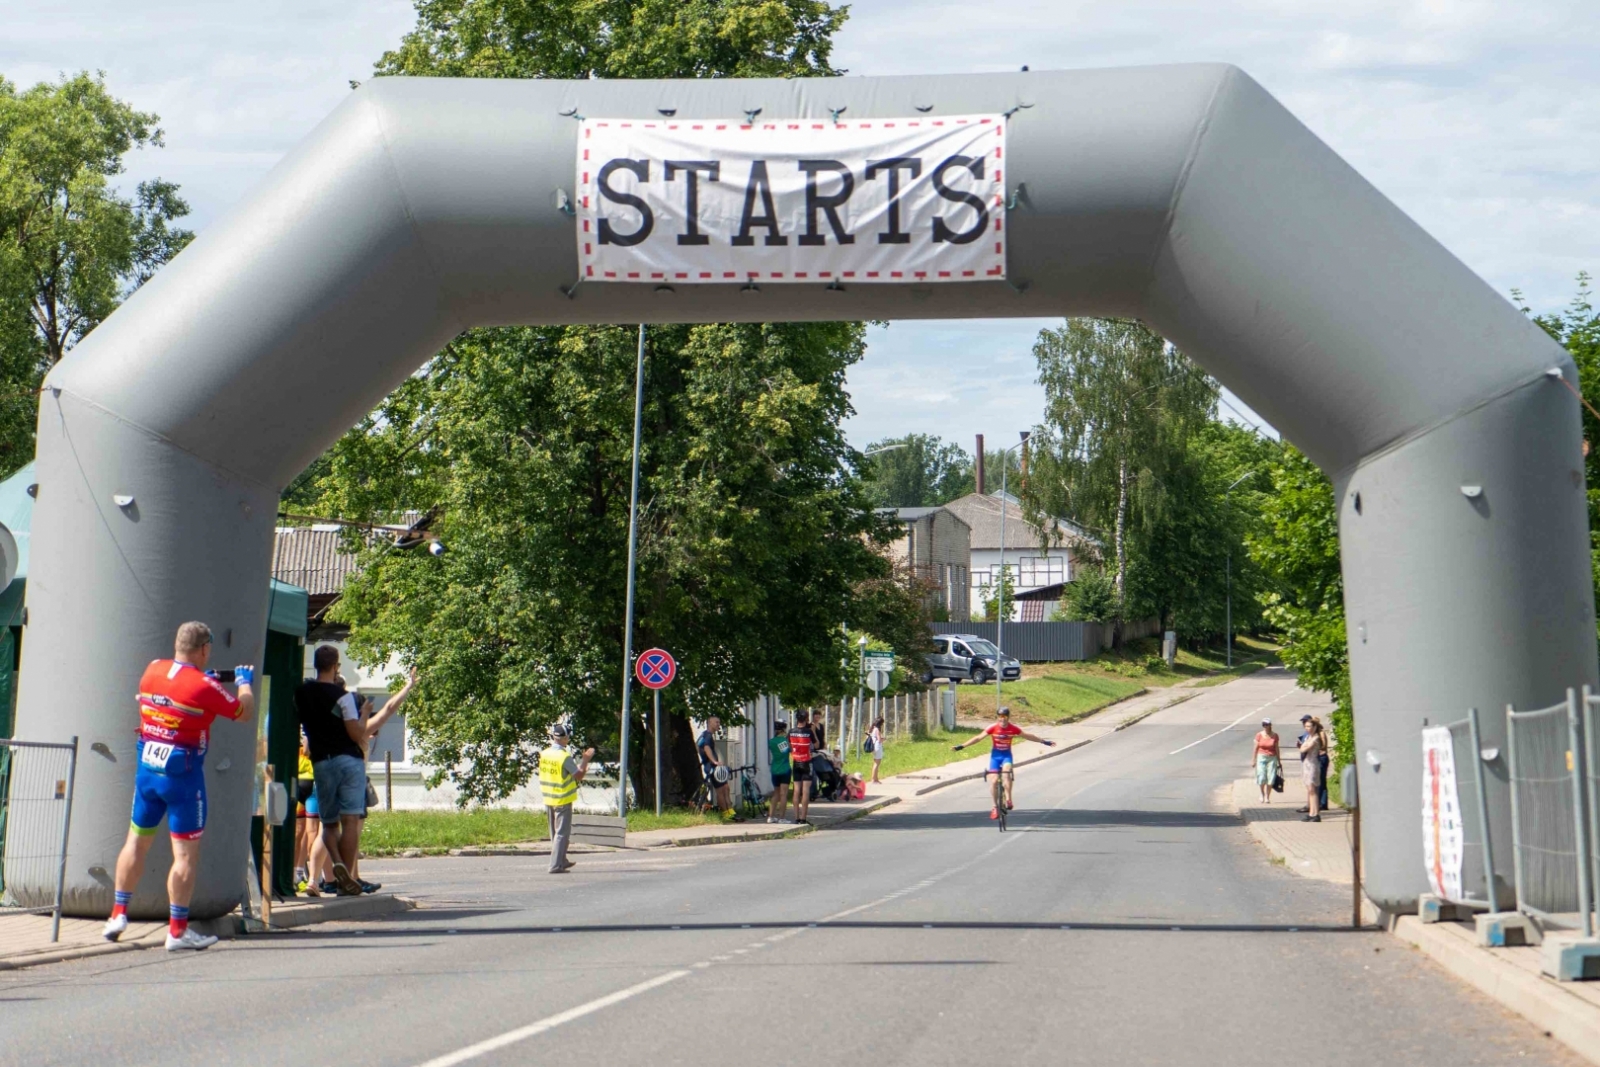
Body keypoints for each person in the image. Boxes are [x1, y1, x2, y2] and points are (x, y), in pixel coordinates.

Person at [102, 621, 254, 951]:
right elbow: (243, 713)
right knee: (185, 856)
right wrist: (244, 684)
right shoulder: (204, 686)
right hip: (183, 778)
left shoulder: (153, 669)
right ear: (204, 650)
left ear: (176, 644)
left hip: (147, 773)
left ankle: (118, 914)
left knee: (135, 843)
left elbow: (169, 697)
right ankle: (177, 931)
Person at [296, 645, 371, 896]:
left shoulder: (303, 693)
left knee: (328, 825)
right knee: (350, 820)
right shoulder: (343, 696)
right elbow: (355, 733)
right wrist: (365, 716)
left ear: (316, 665)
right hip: (348, 761)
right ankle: (344, 879)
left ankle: (337, 863)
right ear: (336, 666)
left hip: (321, 762)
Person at [952, 706, 1055, 819]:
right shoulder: (992, 728)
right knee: (994, 781)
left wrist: (1044, 742)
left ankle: (1009, 799)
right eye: (1000, 716)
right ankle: (995, 807)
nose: (1003, 719)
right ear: (997, 717)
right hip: (995, 757)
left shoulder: (1013, 728)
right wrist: (961, 746)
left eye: (1005, 716)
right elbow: (978, 738)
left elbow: (1027, 736)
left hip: (1006, 756)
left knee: (1006, 773)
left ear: (1008, 717)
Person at [539, 723, 593, 874]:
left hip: (548, 797)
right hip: (562, 799)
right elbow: (579, 775)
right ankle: (555, 865)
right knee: (562, 833)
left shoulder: (545, 753)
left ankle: (562, 860)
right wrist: (586, 759)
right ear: (565, 738)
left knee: (555, 833)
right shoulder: (563, 756)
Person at [697, 714, 739, 821]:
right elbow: (706, 748)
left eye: (719, 722)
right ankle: (726, 813)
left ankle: (730, 811)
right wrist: (714, 761)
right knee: (720, 790)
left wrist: (704, 759)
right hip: (712, 767)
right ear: (710, 722)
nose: (718, 725)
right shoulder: (707, 735)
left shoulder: (704, 735)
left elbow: (698, 746)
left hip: (711, 766)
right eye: (716, 722)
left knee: (726, 788)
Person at [788, 710, 815, 824]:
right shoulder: (809, 732)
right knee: (805, 791)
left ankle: (796, 817)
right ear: (806, 719)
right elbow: (817, 744)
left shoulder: (791, 732)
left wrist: (792, 752)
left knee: (796, 790)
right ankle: (803, 818)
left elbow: (787, 745)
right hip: (806, 762)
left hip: (795, 761)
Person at [1298, 713, 1324, 822]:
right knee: (1309, 789)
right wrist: (1303, 746)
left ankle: (1315, 813)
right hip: (1306, 764)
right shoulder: (1309, 737)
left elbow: (1303, 749)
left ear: (1314, 727)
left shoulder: (1316, 738)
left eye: (1309, 726)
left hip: (1313, 764)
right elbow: (1302, 747)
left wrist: (1303, 746)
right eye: (1306, 726)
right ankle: (1311, 812)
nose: (1307, 728)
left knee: (1313, 790)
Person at [767, 720, 792, 823]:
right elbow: (789, 750)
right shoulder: (785, 741)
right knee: (783, 795)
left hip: (774, 770)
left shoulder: (771, 741)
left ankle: (770, 817)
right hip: (785, 769)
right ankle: (782, 818)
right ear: (783, 730)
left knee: (775, 794)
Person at [1252, 718, 1281, 804]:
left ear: (1270, 725)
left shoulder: (1275, 735)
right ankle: (1262, 793)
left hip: (1272, 757)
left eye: (1267, 724)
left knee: (1271, 777)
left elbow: (1276, 748)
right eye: (1264, 725)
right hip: (1261, 757)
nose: (1265, 726)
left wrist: (1279, 760)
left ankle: (1268, 796)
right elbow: (1255, 748)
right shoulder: (1259, 735)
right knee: (1261, 776)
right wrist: (1253, 759)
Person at [868, 717, 885, 784]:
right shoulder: (877, 729)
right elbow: (879, 740)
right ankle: (873, 779)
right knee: (876, 764)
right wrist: (884, 739)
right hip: (877, 747)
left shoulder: (872, 729)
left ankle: (876, 779)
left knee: (875, 763)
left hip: (873, 747)